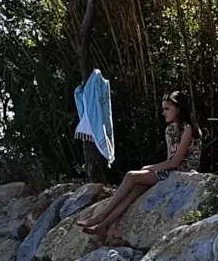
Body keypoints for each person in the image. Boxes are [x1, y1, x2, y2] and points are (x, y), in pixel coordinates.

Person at [80, 90, 203, 238]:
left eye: (167, 109)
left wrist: (150, 168)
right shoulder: (169, 130)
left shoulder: (188, 129)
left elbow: (176, 162)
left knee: (131, 176)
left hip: (183, 173)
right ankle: (103, 226)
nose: (163, 113)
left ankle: (100, 216)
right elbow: (170, 159)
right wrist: (153, 169)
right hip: (171, 170)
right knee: (136, 189)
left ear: (179, 108)